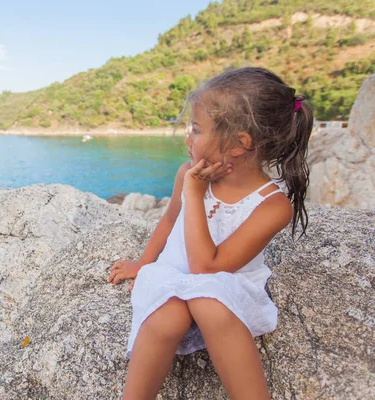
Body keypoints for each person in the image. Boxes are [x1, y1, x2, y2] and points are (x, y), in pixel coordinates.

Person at [107, 67, 313, 400]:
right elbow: (169, 220)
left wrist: (195, 194)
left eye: (197, 130)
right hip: (173, 274)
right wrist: (143, 263)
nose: (188, 140)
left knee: (208, 300)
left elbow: (208, 268)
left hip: (223, 284)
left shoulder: (272, 206)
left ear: (240, 143)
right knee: (168, 316)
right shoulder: (187, 173)